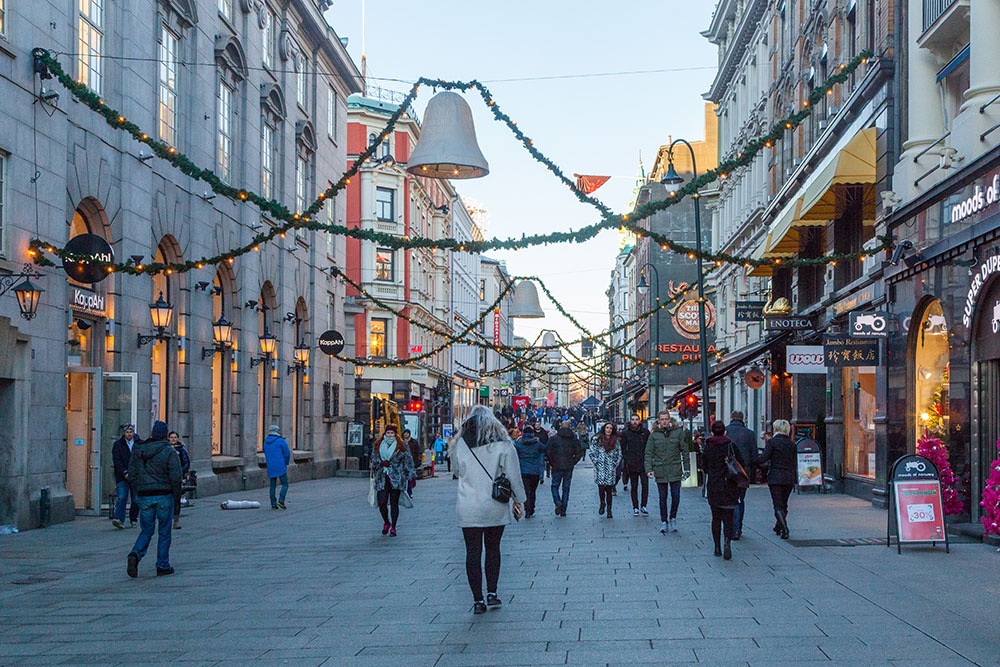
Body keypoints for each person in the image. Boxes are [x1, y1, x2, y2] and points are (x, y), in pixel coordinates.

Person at [453, 405, 526, 614]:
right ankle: (492, 592)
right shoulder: (503, 445)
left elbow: (457, 471)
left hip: (468, 505)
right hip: (495, 505)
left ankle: (477, 600)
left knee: (472, 552)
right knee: (493, 549)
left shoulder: (460, 444)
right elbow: (513, 475)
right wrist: (519, 500)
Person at [126, 420, 181, 578]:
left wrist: (138, 490)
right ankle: (162, 564)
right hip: (164, 494)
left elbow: (132, 472)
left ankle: (135, 554)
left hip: (145, 495)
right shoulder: (169, 451)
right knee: (164, 531)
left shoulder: (139, 450)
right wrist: (176, 497)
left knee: (147, 529)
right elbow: (176, 476)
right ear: (165, 435)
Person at [703, 420, 745, 560]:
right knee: (728, 517)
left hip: (714, 486)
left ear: (713, 432)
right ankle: (727, 542)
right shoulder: (730, 445)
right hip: (729, 485)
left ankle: (716, 547)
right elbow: (741, 463)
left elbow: (704, 467)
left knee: (716, 518)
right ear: (725, 432)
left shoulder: (708, 446)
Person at [645, 411, 690, 534]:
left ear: (670, 420)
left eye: (666, 419)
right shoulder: (654, 436)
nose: (664, 421)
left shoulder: (678, 433)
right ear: (658, 421)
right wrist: (648, 469)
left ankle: (673, 517)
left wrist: (687, 468)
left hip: (675, 469)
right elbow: (648, 453)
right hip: (660, 469)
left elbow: (685, 451)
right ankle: (664, 520)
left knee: (676, 496)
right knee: (662, 497)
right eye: (662, 419)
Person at [371, 424, 416, 537]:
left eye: (392, 433)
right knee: (382, 502)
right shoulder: (378, 445)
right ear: (384, 434)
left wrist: (411, 477)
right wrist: (380, 463)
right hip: (382, 478)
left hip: (396, 478)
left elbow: (408, 461)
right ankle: (386, 522)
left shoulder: (402, 446)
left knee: (394, 503)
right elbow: (372, 460)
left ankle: (394, 527)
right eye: (388, 433)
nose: (390, 435)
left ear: (395, 434)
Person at [759, 419, 797, 539]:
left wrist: (753, 460)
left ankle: (785, 528)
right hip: (789, 477)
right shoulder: (792, 444)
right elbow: (794, 461)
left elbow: (764, 458)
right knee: (784, 504)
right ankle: (778, 525)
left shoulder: (772, 442)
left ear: (776, 429)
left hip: (776, 477)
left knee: (777, 505)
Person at [725, 411, 757, 539]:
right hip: (743, 472)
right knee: (739, 499)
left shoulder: (726, 431)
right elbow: (754, 456)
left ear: (731, 418)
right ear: (743, 419)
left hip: (728, 471)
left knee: (729, 500)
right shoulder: (749, 434)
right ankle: (738, 528)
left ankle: (731, 527)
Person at [544, 419, 584, 516]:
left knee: (554, 486)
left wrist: (552, 462)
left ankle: (557, 501)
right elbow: (579, 452)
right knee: (566, 488)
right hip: (568, 466)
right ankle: (563, 509)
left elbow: (547, 452)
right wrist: (573, 462)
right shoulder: (573, 438)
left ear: (560, 427)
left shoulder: (554, 438)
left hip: (556, 466)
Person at [620, 414, 651, 516]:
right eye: (633, 420)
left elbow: (649, 446)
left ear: (639, 421)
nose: (634, 422)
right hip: (632, 463)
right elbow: (623, 447)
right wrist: (627, 459)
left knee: (645, 485)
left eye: (636, 420)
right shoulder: (626, 433)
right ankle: (635, 507)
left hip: (643, 463)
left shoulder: (645, 432)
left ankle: (643, 505)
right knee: (634, 486)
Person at [111, 425, 141, 529]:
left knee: (136, 499)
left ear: (134, 433)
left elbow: (142, 459)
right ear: (124, 433)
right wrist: (124, 472)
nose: (129, 434)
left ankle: (133, 519)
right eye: (127, 432)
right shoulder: (118, 445)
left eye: (131, 432)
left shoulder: (139, 444)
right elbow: (117, 460)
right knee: (122, 497)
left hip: (136, 476)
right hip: (122, 476)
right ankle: (119, 519)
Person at [590, 423, 622, 518]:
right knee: (601, 488)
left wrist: (615, 464)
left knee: (609, 489)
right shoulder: (597, 440)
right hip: (600, 467)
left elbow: (619, 453)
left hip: (610, 467)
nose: (608, 430)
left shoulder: (615, 441)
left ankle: (609, 509)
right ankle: (602, 503)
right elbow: (592, 452)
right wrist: (596, 461)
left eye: (610, 428)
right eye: (607, 428)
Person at [514, 426, 544, 518]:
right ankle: (531, 509)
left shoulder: (519, 443)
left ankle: (527, 509)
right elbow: (544, 449)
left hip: (523, 471)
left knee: (526, 491)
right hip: (535, 471)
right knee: (533, 491)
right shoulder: (537, 443)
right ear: (532, 433)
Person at [263, 425, 291, 510]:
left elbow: (265, 452)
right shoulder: (281, 441)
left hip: (270, 466)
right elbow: (287, 453)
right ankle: (281, 500)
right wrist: (286, 462)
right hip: (280, 465)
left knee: (272, 486)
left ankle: (273, 504)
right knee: (285, 484)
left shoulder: (265, 442)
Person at [167, 431, 190, 529]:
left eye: (175, 437)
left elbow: (186, 463)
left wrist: (180, 471)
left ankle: (176, 520)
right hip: (167, 478)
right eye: (171, 437)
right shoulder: (166, 449)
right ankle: (167, 520)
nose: (173, 439)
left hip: (177, 478)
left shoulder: (181, 450)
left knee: (176, 499)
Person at [403, 429, 422, 496]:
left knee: (410, 478)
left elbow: (419, 451)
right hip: (403, 463)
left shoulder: (414, 442)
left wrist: (419, 460)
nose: (406, 435)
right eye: (405, 433)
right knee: (404, 478)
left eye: (407, 433)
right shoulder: (401, 442)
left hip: (412, 462)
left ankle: (409, 492)